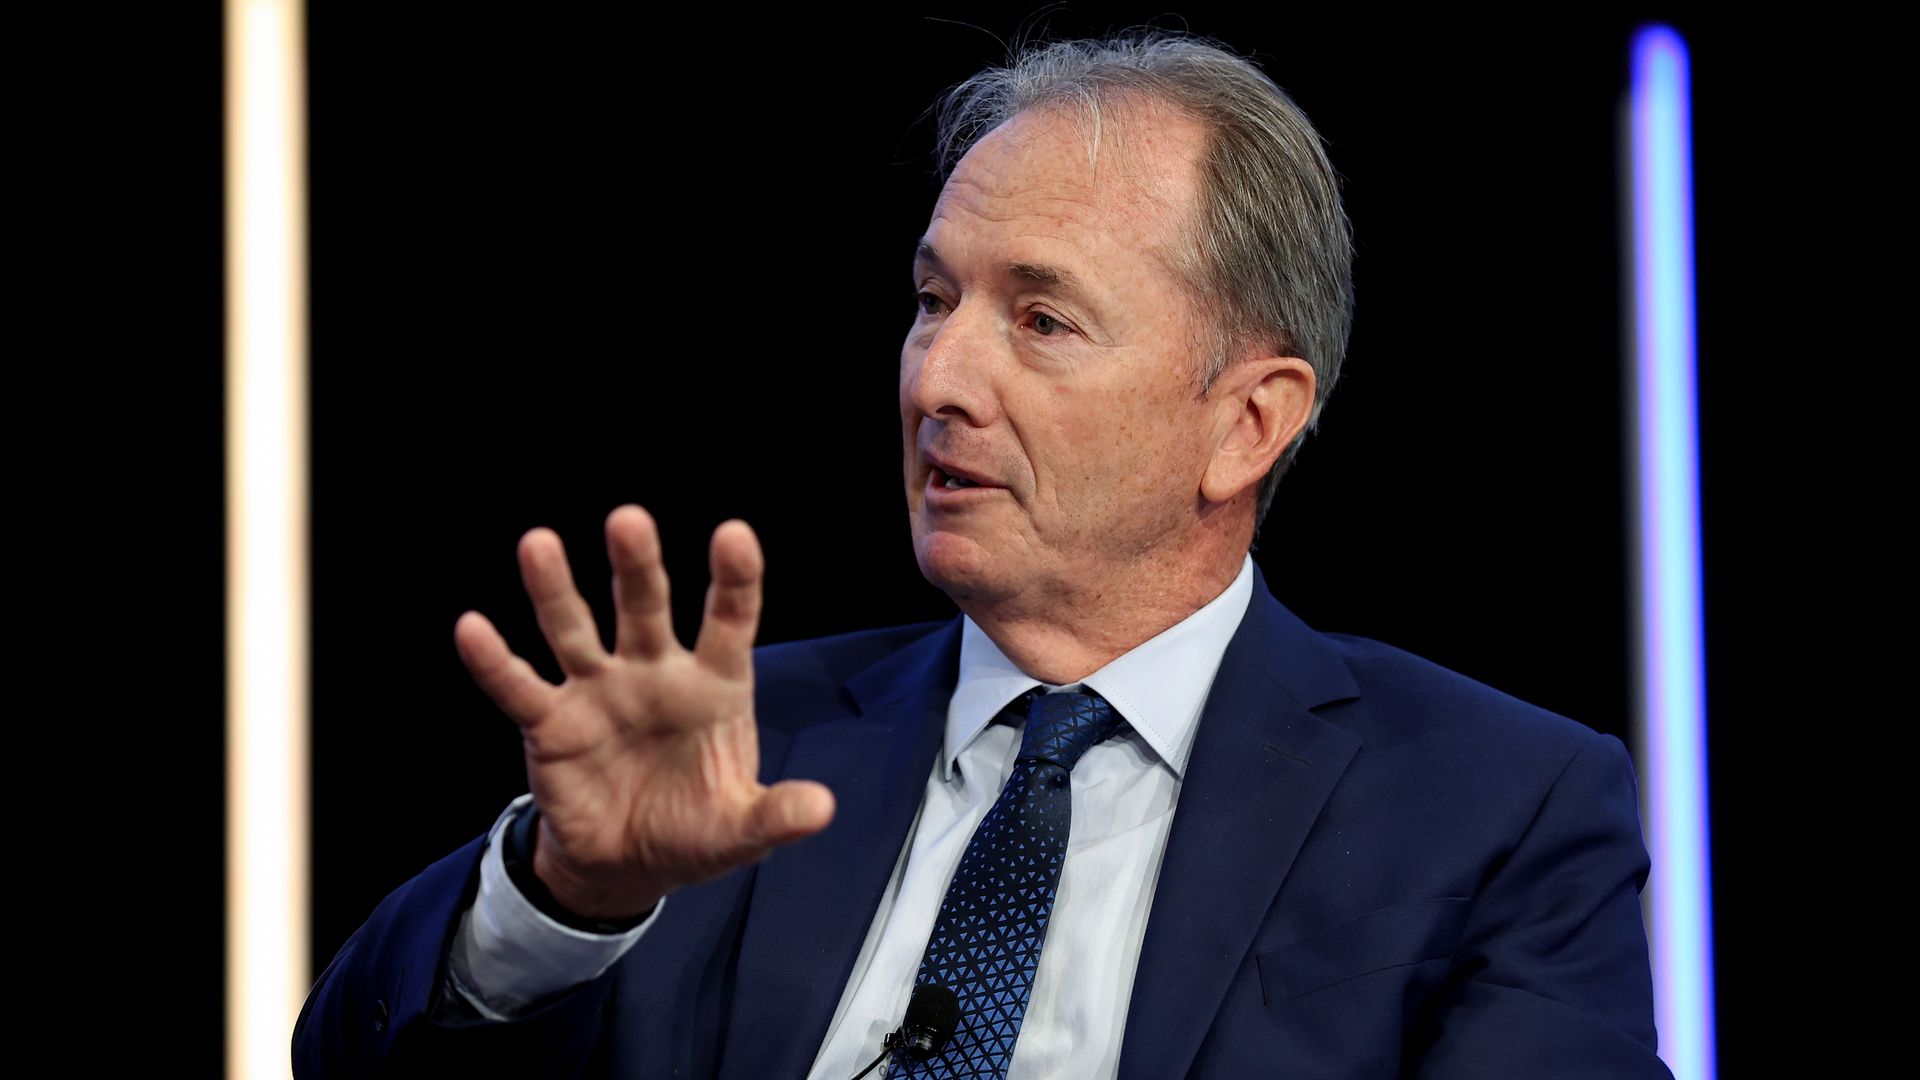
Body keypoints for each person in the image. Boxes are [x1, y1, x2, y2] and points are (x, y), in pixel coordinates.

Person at [294, 32, 1672, 1079]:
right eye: (933, 300)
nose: (937, 378)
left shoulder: (1499, 807)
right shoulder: (732, 753)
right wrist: (564, 898)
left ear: (1249, 422)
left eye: (1043, 321)